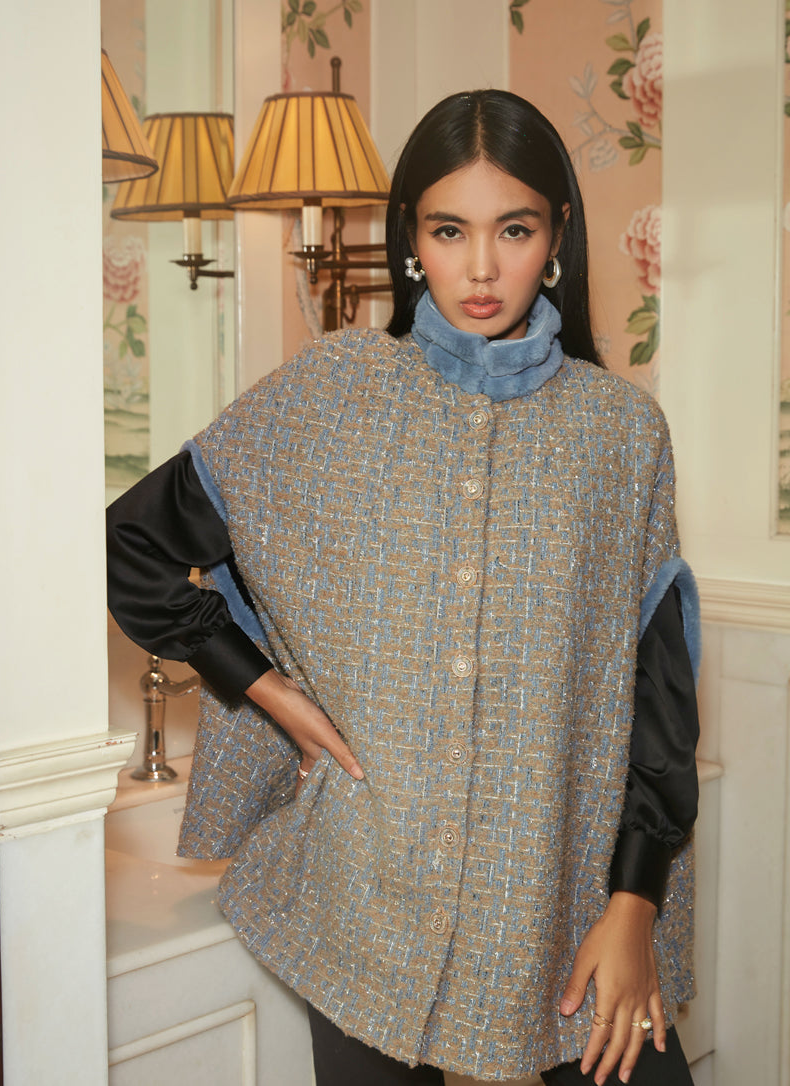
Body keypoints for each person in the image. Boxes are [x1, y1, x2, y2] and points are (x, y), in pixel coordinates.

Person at [107, 90, 701, 1086]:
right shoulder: (329, 394)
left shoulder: (619, 432)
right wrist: (267, 689)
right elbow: (134, 545)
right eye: (448, 230)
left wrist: (634, 902)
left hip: (560, 896)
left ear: (557, 235)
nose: (481, 267)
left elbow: (659, 694)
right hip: (360, 901)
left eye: (514, 229)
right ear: (410, 239)